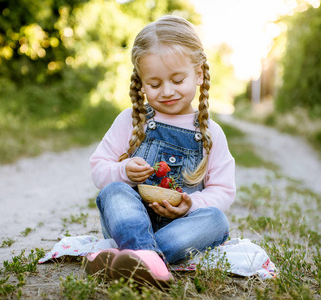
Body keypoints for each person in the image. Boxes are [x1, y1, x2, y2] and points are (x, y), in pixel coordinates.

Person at [85, 15, 235, 289]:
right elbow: (98, 168)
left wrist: (192, 205)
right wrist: (123, 171)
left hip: (181, 229)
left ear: (199, 73)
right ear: (141, 83)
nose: (167, 91)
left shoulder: (211, 133)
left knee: (216, 219)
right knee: (112, 192)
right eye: (154, 84)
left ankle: (135, 258)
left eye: (178, 80)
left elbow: (223, 191)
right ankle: (144, 254)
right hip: (127, 223)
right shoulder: (131, 121)